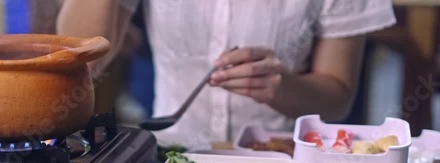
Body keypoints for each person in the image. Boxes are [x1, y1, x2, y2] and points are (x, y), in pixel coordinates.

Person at [57, 0, 396, 149]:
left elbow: (337, 99)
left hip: (283, 162)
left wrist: (281, 86)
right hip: (170, 159)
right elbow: (84, 61)